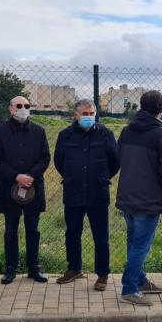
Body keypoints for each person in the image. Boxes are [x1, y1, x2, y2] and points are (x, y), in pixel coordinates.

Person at [116, 90, 162, 306]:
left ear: (141, 106)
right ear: (161, 108)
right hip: (149, 200)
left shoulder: (127, 131)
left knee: (134, 242)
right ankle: (129, 288)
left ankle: (140, 280)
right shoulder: (161, 135)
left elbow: (118, 158)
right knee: (141, 245)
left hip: (127, 196)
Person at [53, 99, 119, 291]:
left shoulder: (106, 134)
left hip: (98, 192)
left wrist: (102, 177)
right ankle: (74, 268)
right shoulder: (65, 135)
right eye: (85, 114)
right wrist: (72, 176)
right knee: (72, 233)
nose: (89, 117)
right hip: (73, 192)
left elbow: (115, 161)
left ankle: (102, 274)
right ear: (76, 115)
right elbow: (59, 161)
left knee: (101, 236)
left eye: (91, 114)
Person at [0, 96, 50, 285]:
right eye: (19, 105)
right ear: (11, 109)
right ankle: (11, 268)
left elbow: (45, 157)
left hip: (33, 187)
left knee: (33, 230)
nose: (23, 108)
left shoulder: (39, 131)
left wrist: (30, 176)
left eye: (26, 105)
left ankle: (34, 267)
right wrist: (16, 176)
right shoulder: (0, 132)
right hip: (9, 187)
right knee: (11, 230)